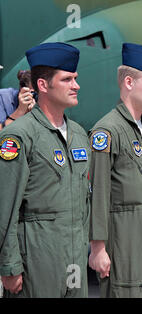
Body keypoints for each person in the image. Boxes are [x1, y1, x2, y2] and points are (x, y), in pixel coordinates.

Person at [0, 42, 90, 297]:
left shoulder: (79, 135)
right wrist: (9, 265)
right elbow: (5, 206)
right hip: (37, 264)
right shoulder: (18, 136)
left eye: (76, 78)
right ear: (42, 85)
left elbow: (84, 201)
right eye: (67, 79)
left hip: (75, 260)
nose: (76, 85)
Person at [87, 43, 142, 298]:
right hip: (124, 244)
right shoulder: (107, 131)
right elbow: (98, 192)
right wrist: (97, 248)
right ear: (129, 82)